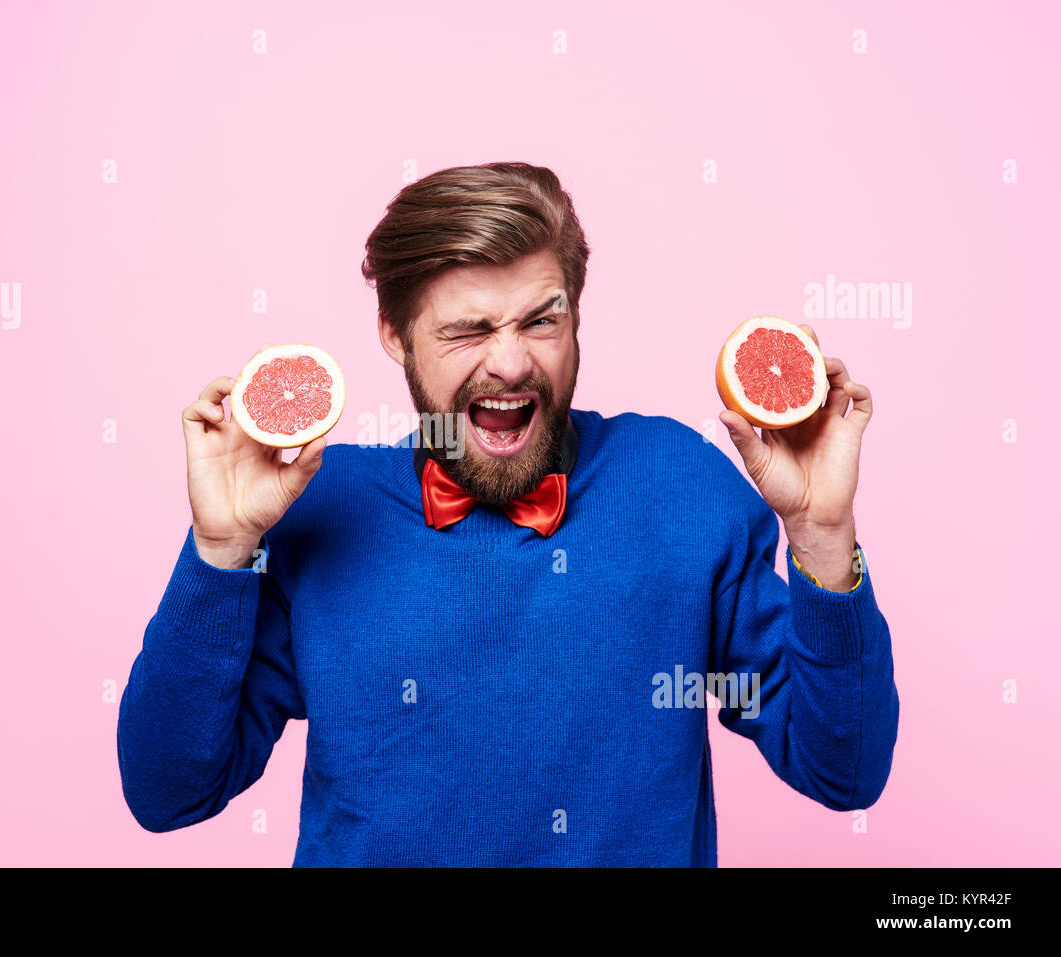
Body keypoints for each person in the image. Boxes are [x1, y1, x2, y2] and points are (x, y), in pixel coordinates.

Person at [116, 162, 899, 866]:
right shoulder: (320, 508)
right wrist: (219, 552)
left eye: (541, 320)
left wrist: (822, 535)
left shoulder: (682, 487)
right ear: (394, 334)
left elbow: (844, 770)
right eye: (469, 329)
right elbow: (169, 791)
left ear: (577, 315)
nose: (512, 360)